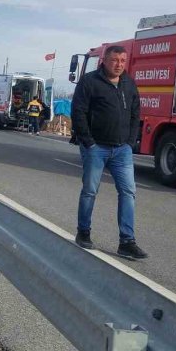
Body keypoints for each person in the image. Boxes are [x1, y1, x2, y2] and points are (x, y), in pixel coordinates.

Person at [70, 44, 147, 260]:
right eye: (115, 60)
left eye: (123, 61)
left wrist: (130, 143)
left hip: (122, 150)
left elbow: (135, 114)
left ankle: (127, 242)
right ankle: (83, 233)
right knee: (90, 191)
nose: (119, 65)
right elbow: (78, 112)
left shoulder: (129, 84)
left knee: (128, 193)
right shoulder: (90, 82)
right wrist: (89, 142)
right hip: (96, 148)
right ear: (104, 60)